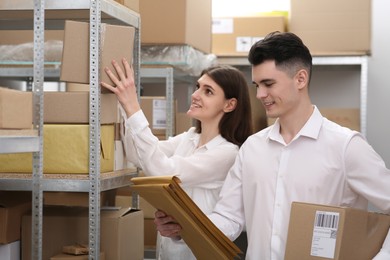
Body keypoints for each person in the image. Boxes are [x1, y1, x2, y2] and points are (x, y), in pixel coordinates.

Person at [154, 31, 390, 260]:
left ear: (300, 79)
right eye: (257, 85)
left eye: (268, 84)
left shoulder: (346, 146)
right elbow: (228, 218)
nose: (259, 94)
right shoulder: (252, 148)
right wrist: (181, 229)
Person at [101, 59, 253, 260]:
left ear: (229, 104)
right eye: (198, 87)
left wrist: (133, 106)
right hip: (169, 251)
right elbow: (137, 155)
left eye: (208, 91)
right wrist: (123, 106)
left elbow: (163, 171)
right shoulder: (190, 137)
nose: (195, 95)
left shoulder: (228, 153)